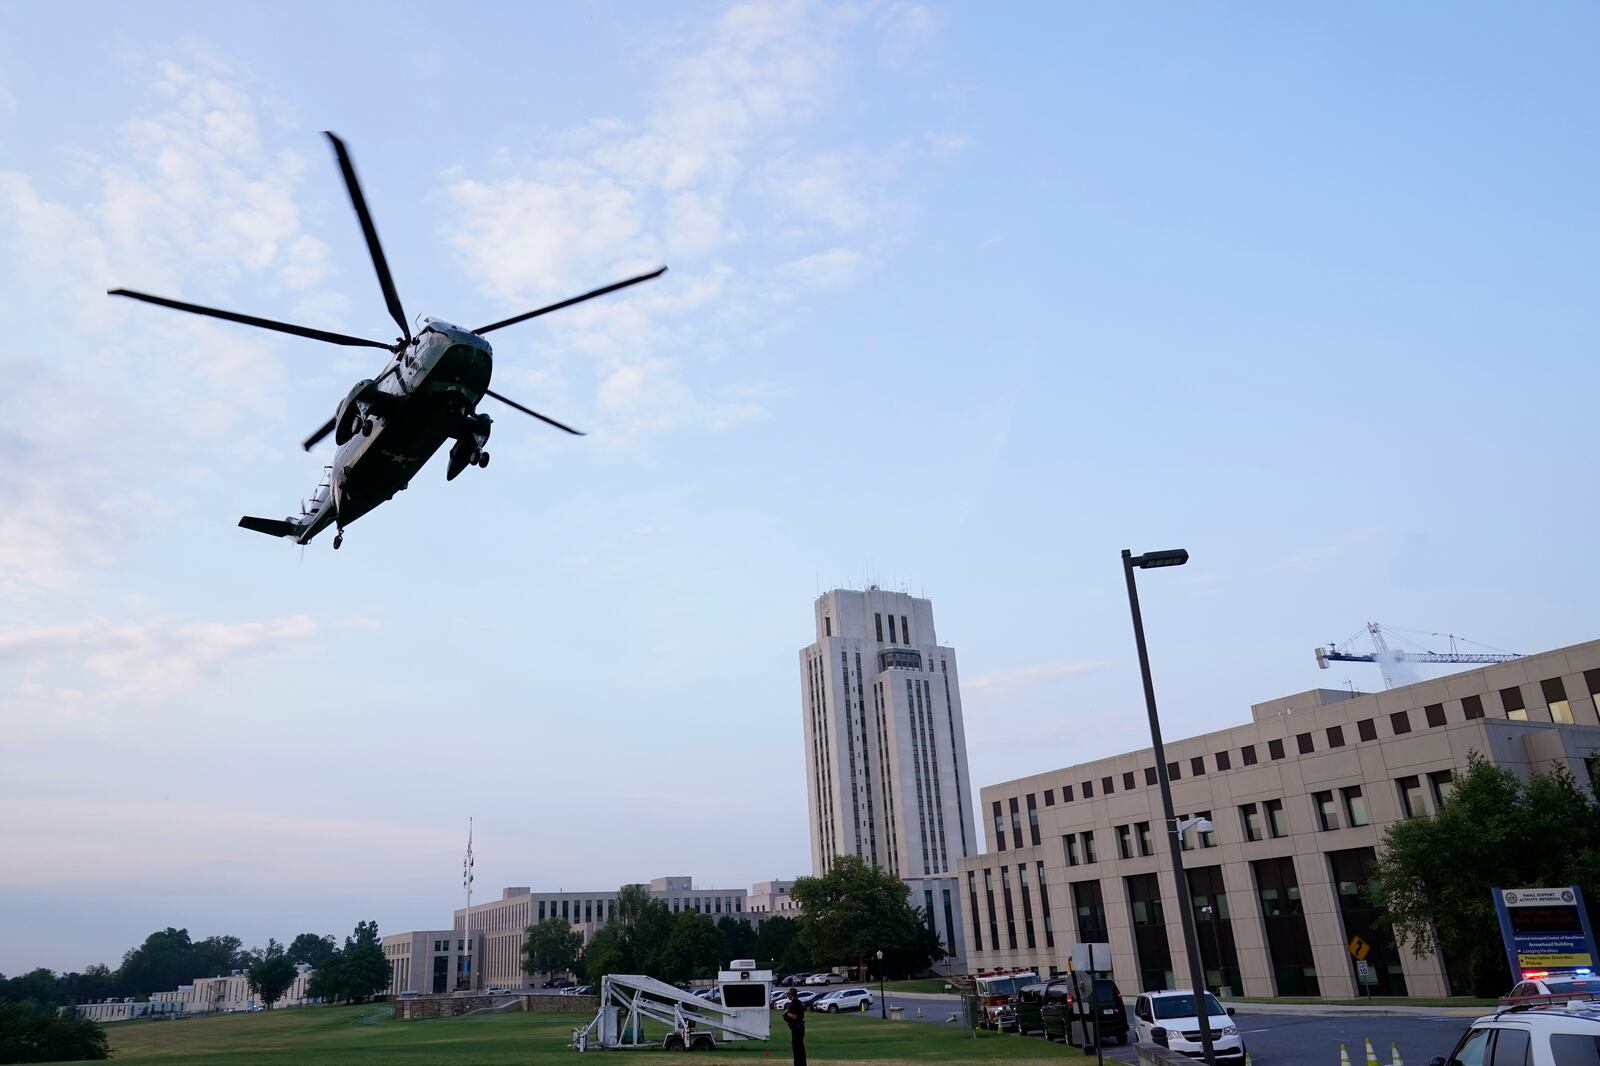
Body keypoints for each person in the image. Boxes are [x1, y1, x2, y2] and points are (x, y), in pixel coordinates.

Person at [782, 987, 807, 1066]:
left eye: (789, 994)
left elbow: (795, 1016)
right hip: (798, 1028)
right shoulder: (797, 1002)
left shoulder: (795, 1003)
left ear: (791, 995)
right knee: (799, 1046)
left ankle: (798, 1063)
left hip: (797, 1028)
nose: (788, 996)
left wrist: (787, 1013)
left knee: (797, 1047)